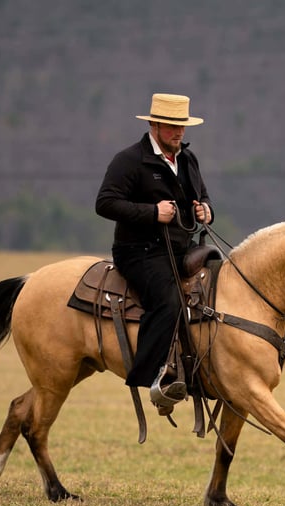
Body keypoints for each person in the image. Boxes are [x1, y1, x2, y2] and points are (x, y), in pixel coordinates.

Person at [95, 93, 214, 406]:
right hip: (139, 251)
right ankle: (156, 378)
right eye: (172, 126)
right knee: (169, 301)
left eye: (182, 126)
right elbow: (105, 203)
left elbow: (203, 196)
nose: (179, 132)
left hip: (181, 248)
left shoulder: (188, 159)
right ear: (154, 125)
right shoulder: (129, 160)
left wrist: (205, 211)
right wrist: (152, 212)